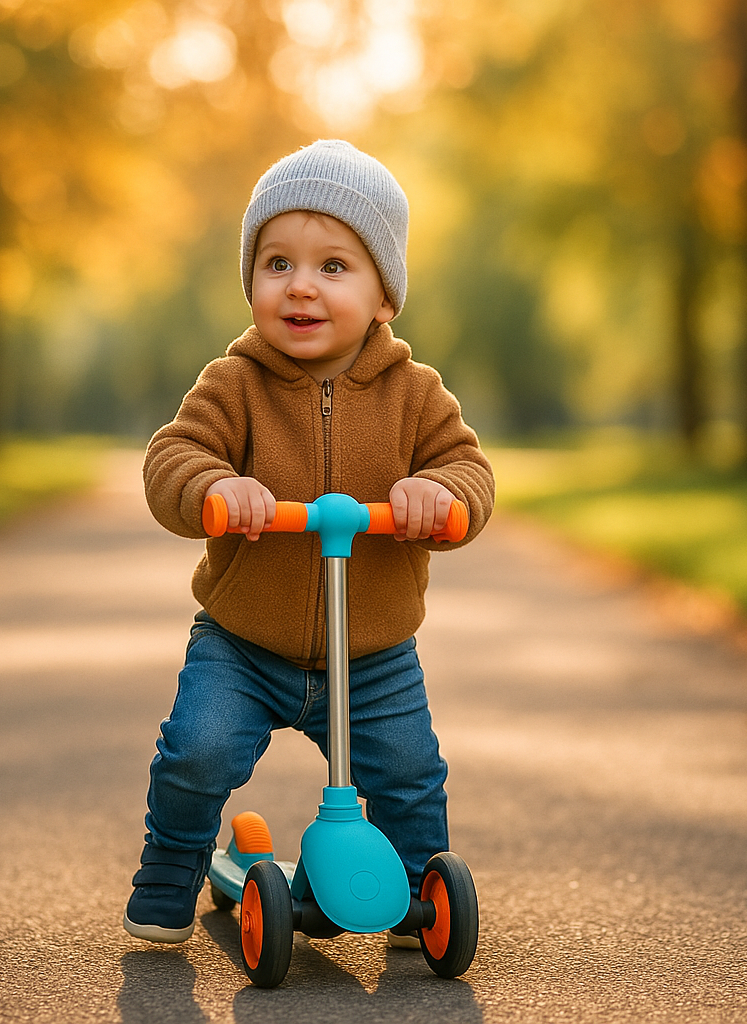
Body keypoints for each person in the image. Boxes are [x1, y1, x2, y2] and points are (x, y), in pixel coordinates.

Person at [127, 139, 494, 947]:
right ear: (252, 280)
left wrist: (440, 496)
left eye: (334, 266)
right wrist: (215, 488)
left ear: (384, 294)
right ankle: (172, 863)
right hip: (244, 644)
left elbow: (468, 469)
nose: (300, 284)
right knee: (197, 750)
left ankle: (415, 888)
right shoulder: (234, 384)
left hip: (371, 651)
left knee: (408, 771)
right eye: (277, 262)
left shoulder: (415, 395)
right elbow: (172, 456)